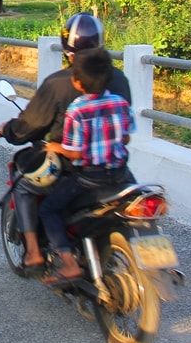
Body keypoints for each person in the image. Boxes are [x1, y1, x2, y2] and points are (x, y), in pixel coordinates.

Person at [0, 12, 132, 271]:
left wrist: (10, 130)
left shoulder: (61, 85)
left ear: (68, 51)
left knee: (23, 183)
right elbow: (126, 131)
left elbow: (31, 127)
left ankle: (34, 253)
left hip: (75, 169)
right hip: (118, 168)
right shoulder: (119, 80)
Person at [37, 47, 134, 285]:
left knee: (49, 209)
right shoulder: (120, 103)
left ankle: (69, 263)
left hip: (89, 178)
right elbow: (126, 137)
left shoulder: (77, 109)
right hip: (120, 174)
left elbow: (76, 151)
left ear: (78, 83)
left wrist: (54, 148)